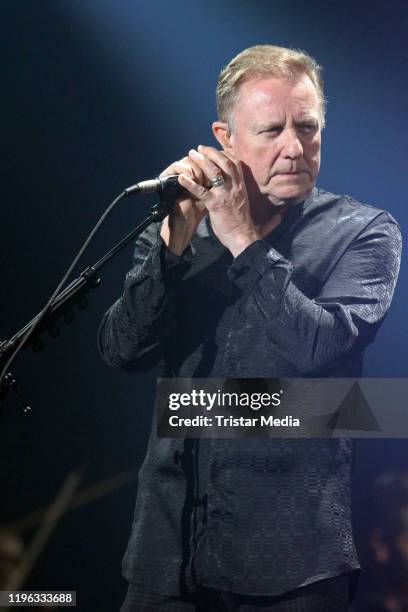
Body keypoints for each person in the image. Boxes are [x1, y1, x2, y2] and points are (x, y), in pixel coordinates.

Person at [97, 45, 402, 611]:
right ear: (225, 137)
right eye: (271, 130)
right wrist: (170, 250)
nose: (294, 147)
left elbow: (319, 354)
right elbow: (121, 350)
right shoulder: (179, 227)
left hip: (292, 564)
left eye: (307, 128)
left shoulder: (364, 233)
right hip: (169, 554)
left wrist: (243, 239)